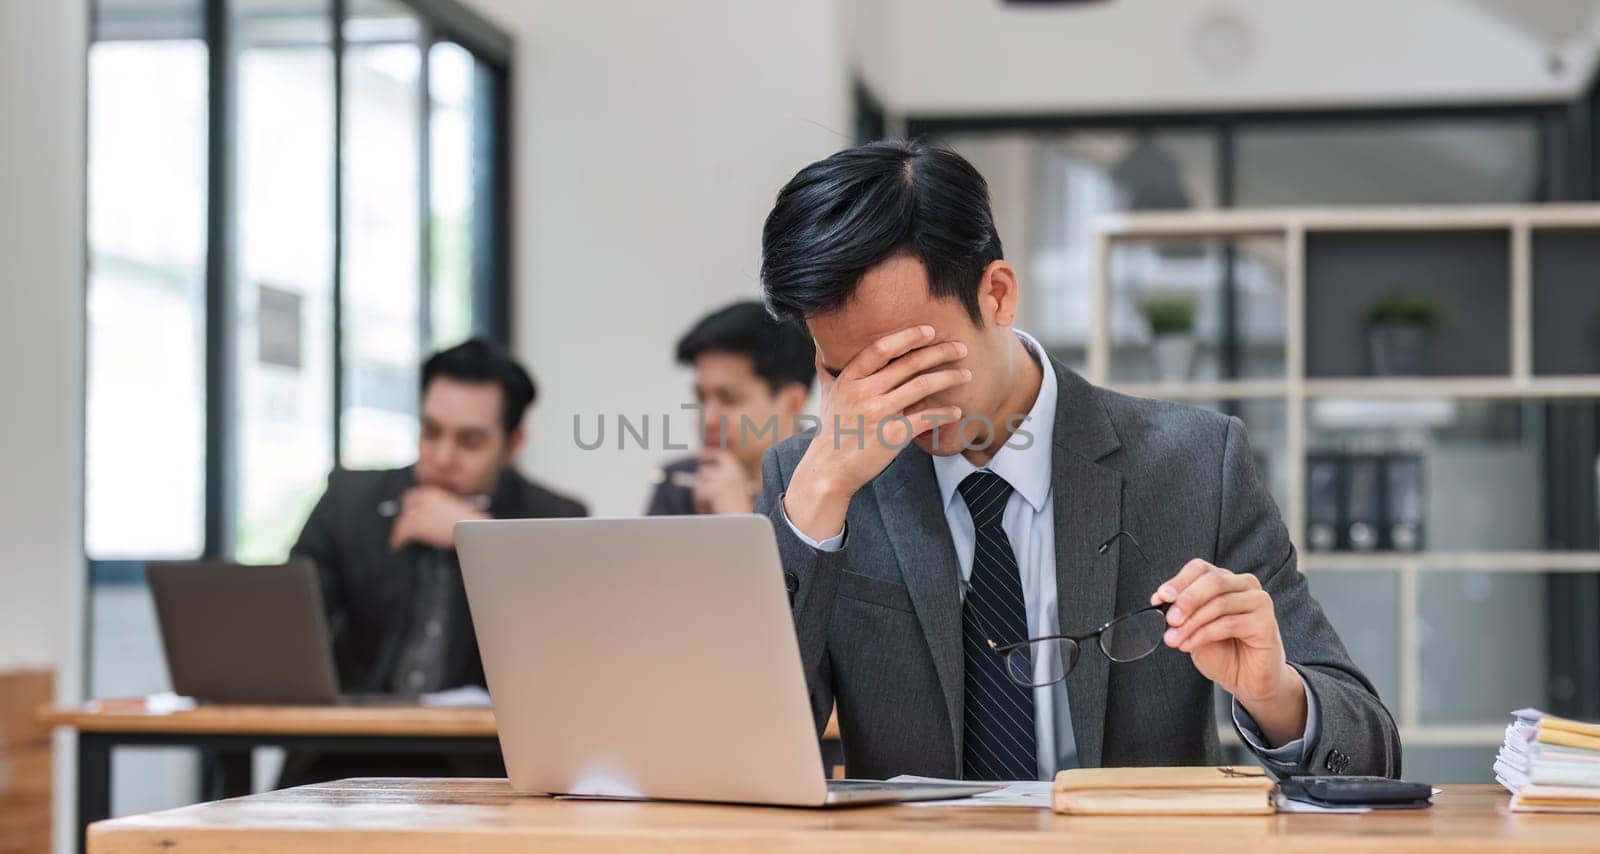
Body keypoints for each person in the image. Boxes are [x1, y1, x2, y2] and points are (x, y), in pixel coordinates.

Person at [754, 140, 1400, 782]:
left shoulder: (1196, 466)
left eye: (909, 367)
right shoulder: (811, 484)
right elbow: (748, 751)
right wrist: (815, 505)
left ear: (998, 295)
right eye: (846, 376)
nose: (885, 404)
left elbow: (1370, 758)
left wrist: (1275, 692)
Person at [281, 338, 586, 786]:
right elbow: (290, 623)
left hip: (492, 768)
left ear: (514, 442)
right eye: (431, 432)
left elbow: (571, 651)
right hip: (346, 761)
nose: (443, 458)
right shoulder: (350, 504)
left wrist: (477, 535)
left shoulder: (556, 519)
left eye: (470, 441)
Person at [646, 301, 815, 516]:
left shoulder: (832, 488)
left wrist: (738, 519)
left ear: (793, 403)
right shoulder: (679, 482)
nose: (708, 419)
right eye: (701, 397)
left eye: (729, 399)